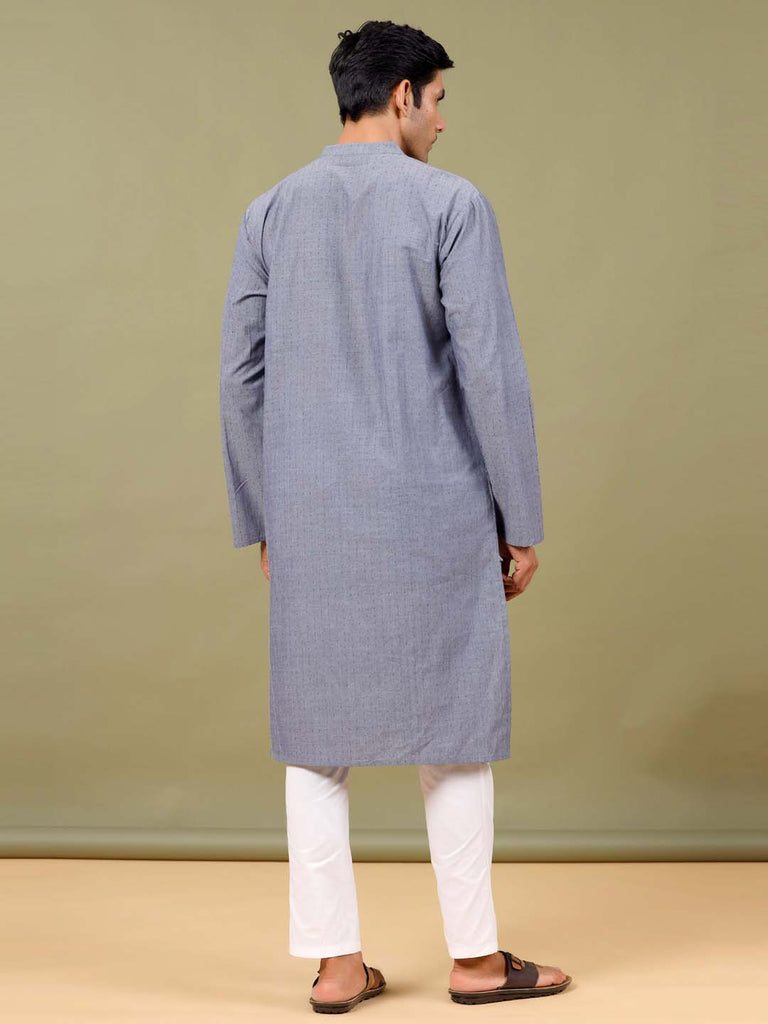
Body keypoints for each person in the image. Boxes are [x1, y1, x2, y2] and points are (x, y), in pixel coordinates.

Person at [219, 18, 572, 1012]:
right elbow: (491, 371)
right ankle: (476, 961)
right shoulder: (450, 203)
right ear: (404, 94)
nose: (444, 121)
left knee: (313, 742)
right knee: (452, 731)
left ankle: (335, 965)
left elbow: (240, 379)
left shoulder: (269, 211)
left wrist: (267, 519)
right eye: (440, 99)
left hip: (312, 517)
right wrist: (521, 517)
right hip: (435, 511)